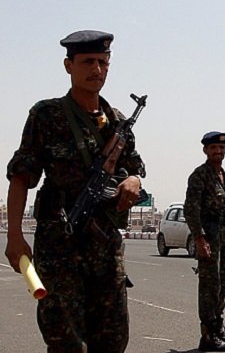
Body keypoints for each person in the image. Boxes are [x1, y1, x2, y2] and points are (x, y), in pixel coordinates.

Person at [4, 30, 145, 352]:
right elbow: (21, 176)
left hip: (106, 248)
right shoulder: (47, 114)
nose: (96, 69)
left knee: (113, 339)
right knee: (66, 341)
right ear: (69, 65)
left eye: (103, 62)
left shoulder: (118, 122)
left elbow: (136, 167)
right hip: (59, 247)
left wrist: (133, 181)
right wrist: (15, 235)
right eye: (87, 62)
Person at [184, 131, 225, 352]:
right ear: (206, 151)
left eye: (221, 148)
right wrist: (199, 238)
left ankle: (218, 328)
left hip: (221, 233)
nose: (218, 151)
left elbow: (221, 205)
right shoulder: (199, 175)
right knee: (209, 286)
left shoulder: (222, 176)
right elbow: (191, 209)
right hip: (208, 235)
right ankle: (207, 334)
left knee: (224, 283)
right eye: (213, 148)